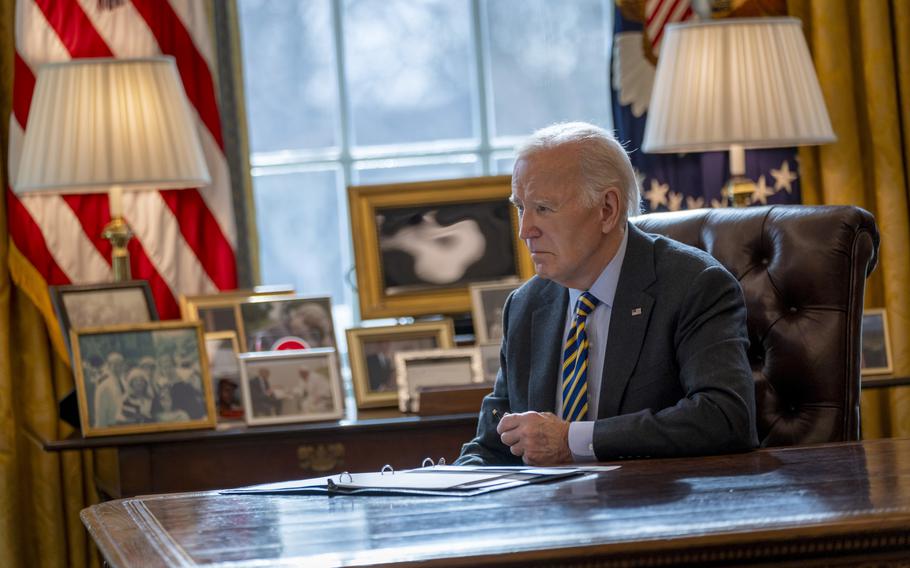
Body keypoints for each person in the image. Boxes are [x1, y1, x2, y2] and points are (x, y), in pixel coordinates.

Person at [456, 122, 758, 466]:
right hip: (548, 513)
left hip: (653, 506)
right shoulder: (525, 306)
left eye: (543, 208)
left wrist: (573, 440)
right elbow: (494, 444)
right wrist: (445, 492)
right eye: (521, 208)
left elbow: (726, 417)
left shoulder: (694, 285)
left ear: (607, 209)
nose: (525, 231)